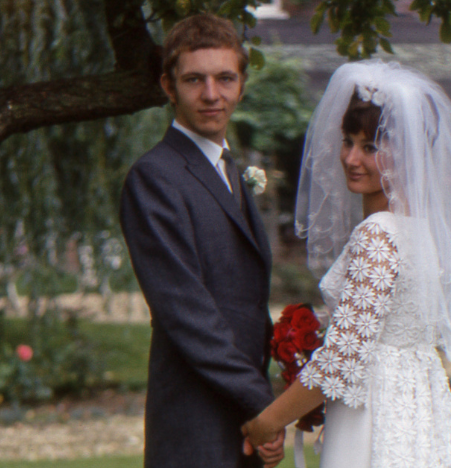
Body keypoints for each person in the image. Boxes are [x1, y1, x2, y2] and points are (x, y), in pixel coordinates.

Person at [242, 60, 451, 468]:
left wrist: (267, 421)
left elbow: (342, 360)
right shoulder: (420, 234)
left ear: (407, 155)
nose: (351, 157)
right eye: (348, 141)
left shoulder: (378, 234)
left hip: (371, 418)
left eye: (370, 146)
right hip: (415, 415)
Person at [119, 14, 283, 468]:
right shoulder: (155, 178)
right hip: (194, 422)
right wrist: (263, 406)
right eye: (194, 79)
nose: (212, 94)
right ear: (169, 88)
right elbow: (187, 313)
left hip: (239, 416)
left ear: (242, 85)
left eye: (224, 78)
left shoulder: (232, 169)